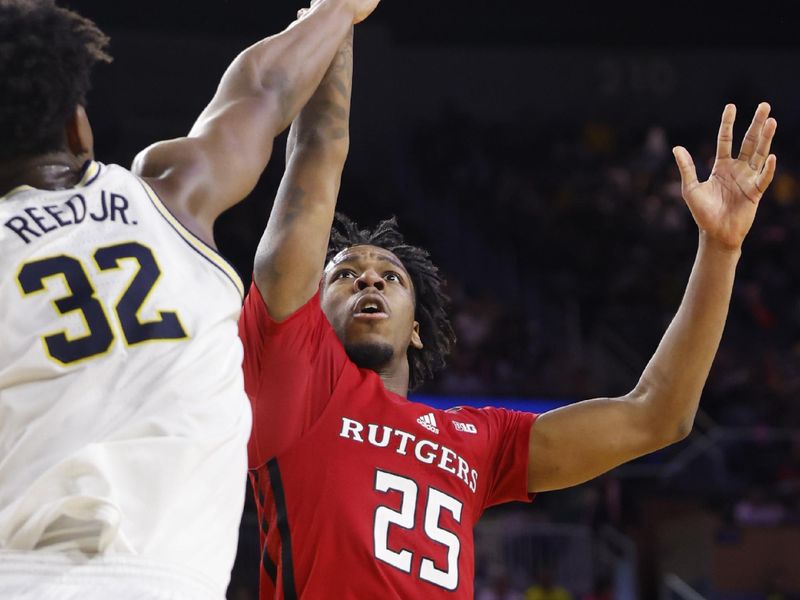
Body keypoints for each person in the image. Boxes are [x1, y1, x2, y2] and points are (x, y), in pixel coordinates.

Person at [238, 28, 777, 594]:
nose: (369, 277)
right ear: (309, 314)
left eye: (390, 277)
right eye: (343, 275)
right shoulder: (297, 390)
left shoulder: (477, 438)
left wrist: (720, 249)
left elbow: (656, 416)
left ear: (417, 329)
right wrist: (335, 21)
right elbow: (318, 153)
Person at [0, 0, 379, 599]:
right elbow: (264, 88)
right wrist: (337, 11)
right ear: (77, 127)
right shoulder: (170, 194)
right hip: (167, 580)